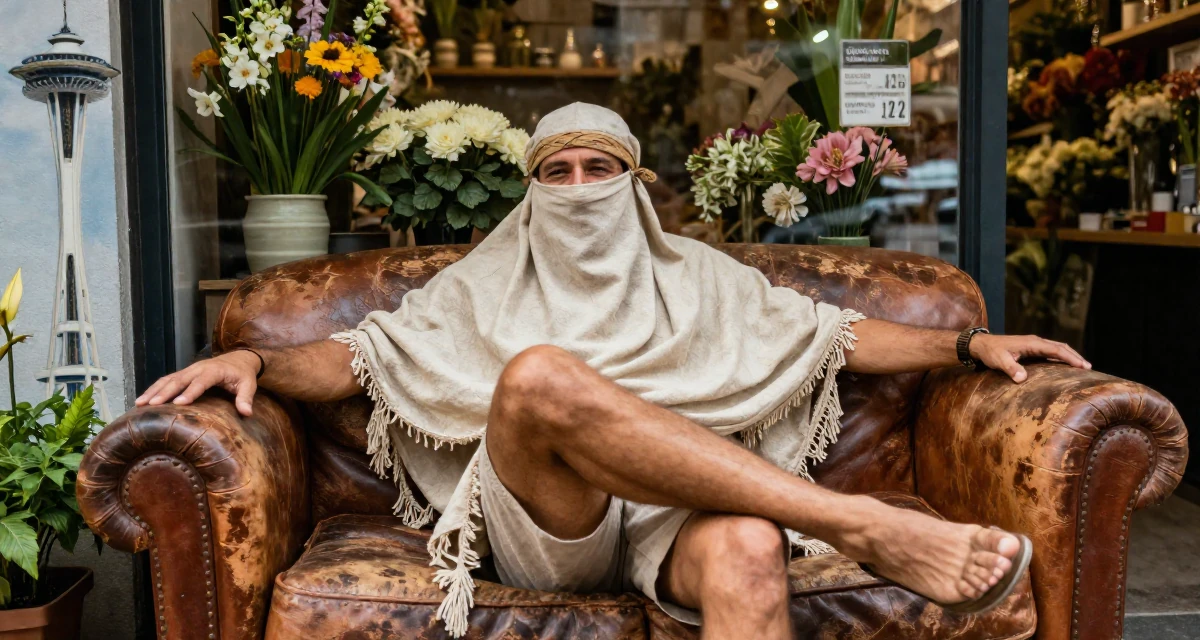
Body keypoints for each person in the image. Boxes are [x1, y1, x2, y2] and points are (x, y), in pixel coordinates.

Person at [138, 103, 1087, 639]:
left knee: (754, 550)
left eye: (602, 168)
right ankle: (858, 526)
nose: (581, 187)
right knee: (541, 376)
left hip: (680, 513)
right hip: (550, 516)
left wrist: (968, 346)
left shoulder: (707, 275)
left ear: (638, 186)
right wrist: (251, 354)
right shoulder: (482, 278)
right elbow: (353, 357)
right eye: (558, 171)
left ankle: (820, 528)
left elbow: (837, 335)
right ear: (532, 190)